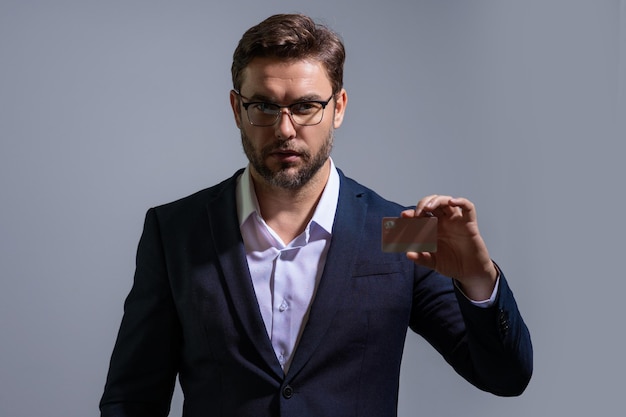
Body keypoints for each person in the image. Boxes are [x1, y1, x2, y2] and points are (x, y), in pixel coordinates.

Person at [100, 13, 532, 417]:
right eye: (264, 107)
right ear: (237, 109)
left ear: (338, 107)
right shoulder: (176, 232)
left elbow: (505, 377)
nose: (285, 129)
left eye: (306, 106)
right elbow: (132, 400)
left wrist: (478, 282)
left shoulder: (398, 232)